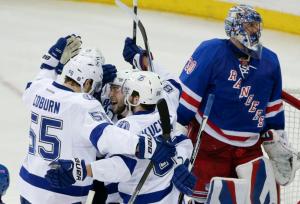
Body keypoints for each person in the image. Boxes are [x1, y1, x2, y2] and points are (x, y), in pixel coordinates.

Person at [18, 35, 176, 204]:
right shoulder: (83, 104)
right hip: (61, 192)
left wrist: (52, 57)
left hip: (28, 185)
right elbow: (107, 135)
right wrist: (145, 145)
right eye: (94, 85)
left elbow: (41, 76)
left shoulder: (39, 89)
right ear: (86, 81)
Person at [176, 4, 298, 203]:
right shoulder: (211, 51)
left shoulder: (270, 61)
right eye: (249, 25)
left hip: (249, 149)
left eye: (256, 26)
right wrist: (176, 145)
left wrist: (278, 141)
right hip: (210, 144)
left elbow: (273, 112)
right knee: (203, 199)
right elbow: (183, 108)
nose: (254, 30)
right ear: (234, 27)